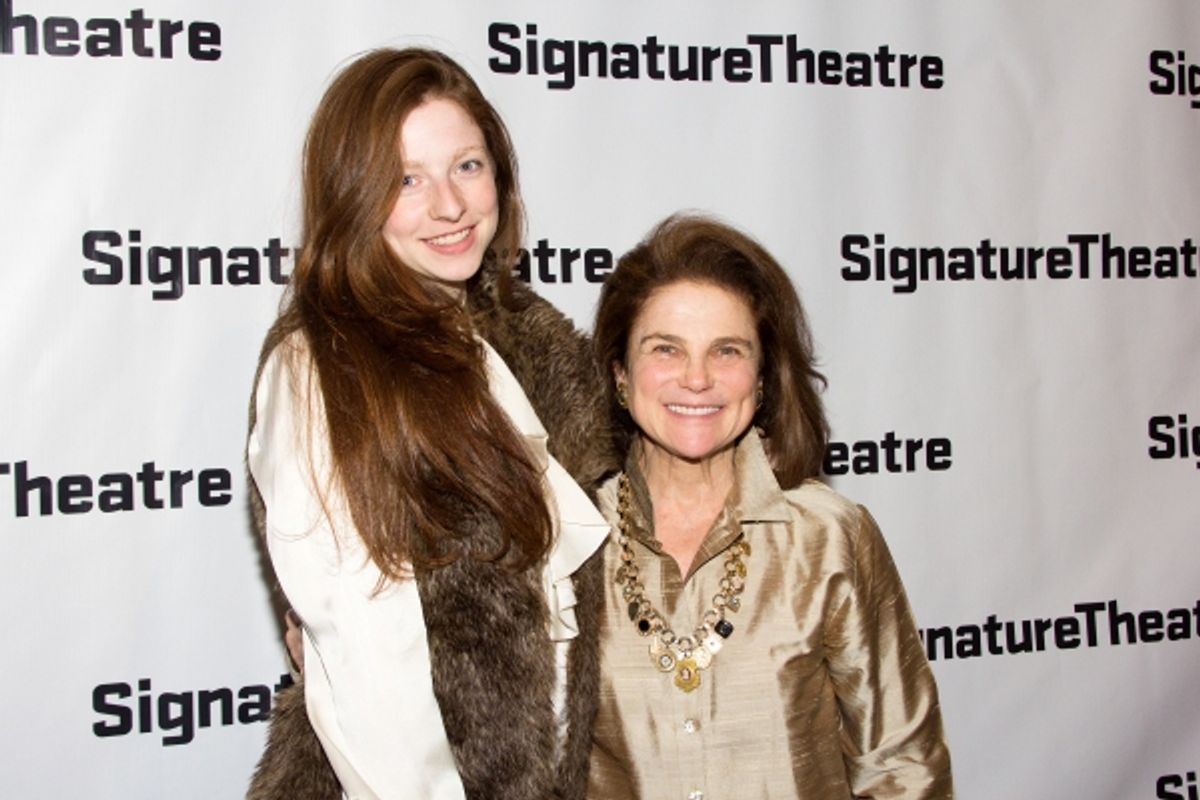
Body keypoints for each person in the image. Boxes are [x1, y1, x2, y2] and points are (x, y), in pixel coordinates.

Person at [244, 48, 618, 800]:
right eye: (406, 180)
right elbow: (370, 666)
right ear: (353, 195)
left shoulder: (516, 343)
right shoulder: (323, 370)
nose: (449, 205)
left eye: (468, 166)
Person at [587, 214, 953, 799]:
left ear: (761, 380)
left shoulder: (829, 538)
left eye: (727, 351)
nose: (697, 378)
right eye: (666, 349)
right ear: (621, 374)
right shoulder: (568, 539)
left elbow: (900, 766)